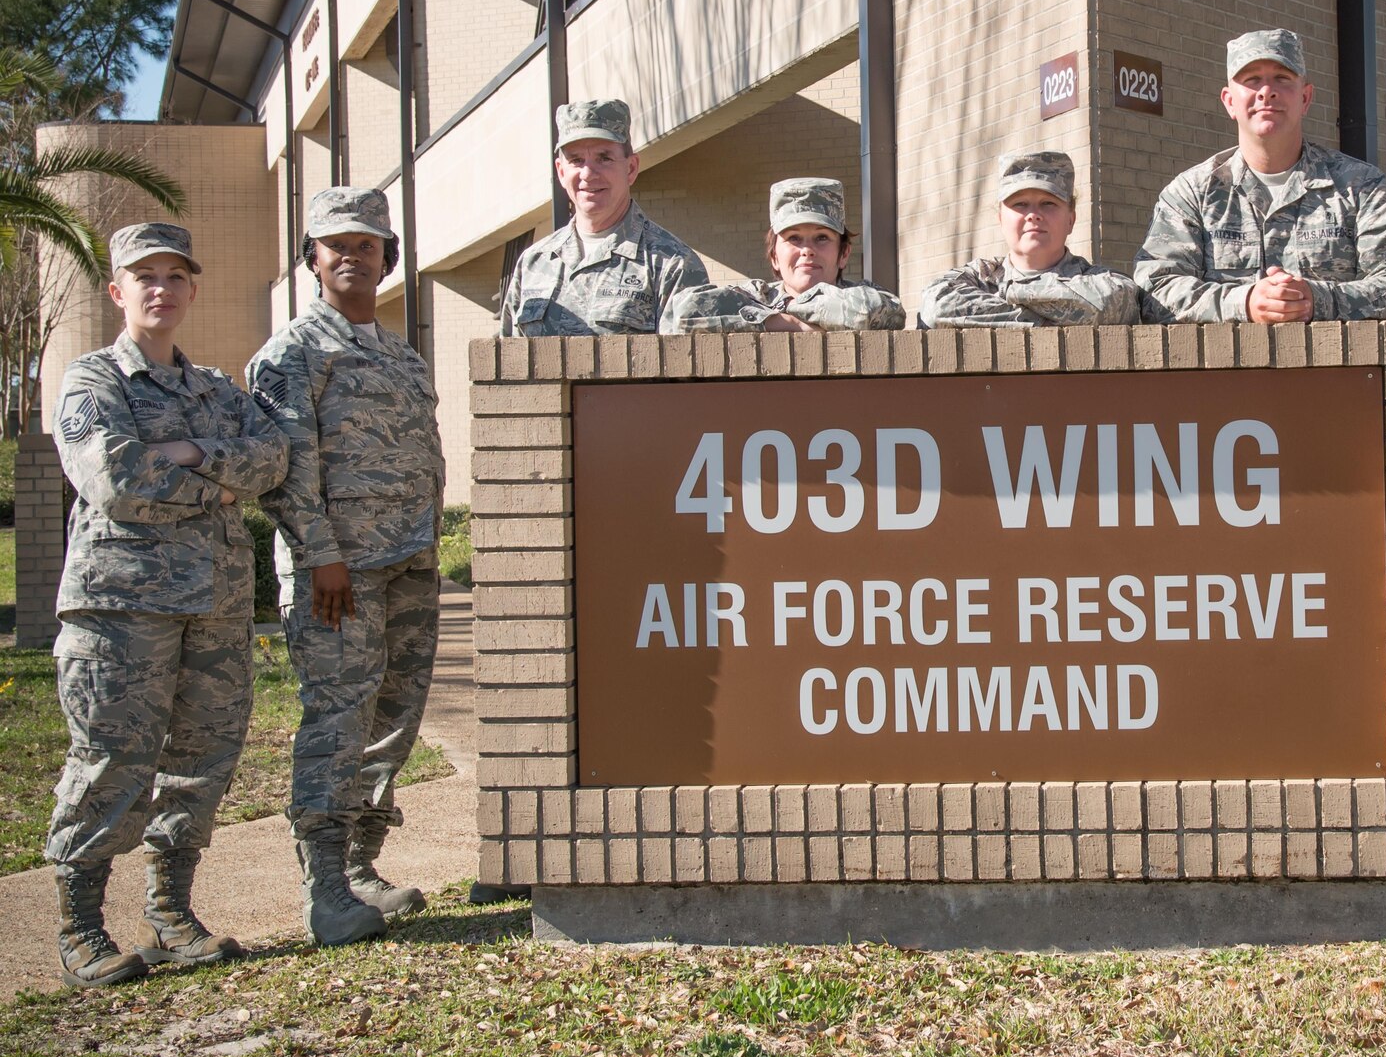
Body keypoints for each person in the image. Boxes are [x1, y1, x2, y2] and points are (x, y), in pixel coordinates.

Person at [45, 223, 289, 987]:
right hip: (120, 610)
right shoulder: (93, 383)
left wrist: (187, 456)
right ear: (117, 291)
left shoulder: (216, 389)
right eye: (144, 275)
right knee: (111, 761)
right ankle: (82, 926)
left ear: (191, 288)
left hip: (214, 607)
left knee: (200, 762)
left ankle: (171, 914)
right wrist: (219, 480)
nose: (161, 288)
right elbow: (113, 481)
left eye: (175, 275)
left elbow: (272, 456)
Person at [247, 188, 445, 947]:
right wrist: (320, 554)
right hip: (340, 576)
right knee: (337, 722)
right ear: (313, 260)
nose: (352, 256)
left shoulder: (399, 354)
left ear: (387, 258)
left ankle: (363, 865)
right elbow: (285, 469)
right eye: (337, 245)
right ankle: (324, 887)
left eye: (367, 244)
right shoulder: (293, 353)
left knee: (393, 718)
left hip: (409, 564)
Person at [1134, 28, 1386, 323]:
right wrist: (1243, 303)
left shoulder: (1360, 188)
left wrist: (1317, 300)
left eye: (1282, 79)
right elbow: (1154, 292)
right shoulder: (1192, 194)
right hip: (1227, 369)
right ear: (1229, 101)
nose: (1266, 91)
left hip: (1332, 368)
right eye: (1252, 80)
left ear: (1306, 98)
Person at [498, 97, 711, 335]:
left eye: (604, 158)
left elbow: (685, 363)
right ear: (561, 171)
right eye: (576, 160)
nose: (588, 174)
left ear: (630, 168)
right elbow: (508, 362)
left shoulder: (671, 263)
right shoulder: (533, 262)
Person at [918, 152, 1141, 328]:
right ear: (1001, 220)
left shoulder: (1104, 283)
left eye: (1048, 203)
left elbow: (1119, 302)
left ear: (1071, 220)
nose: (1033, 214)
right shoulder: (980, 277)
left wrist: (1011, 294)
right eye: (1020, 204)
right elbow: (934, 306)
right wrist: (1040, 317)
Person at [665, 178, 904, 332]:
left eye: (822, 237)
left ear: (843, 253)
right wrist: (787, 323)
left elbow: (889, 313)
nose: (807, 250)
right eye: (794, 239)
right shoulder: (757, 296)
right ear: (774, 257)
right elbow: (685, 311)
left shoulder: (864, 296)